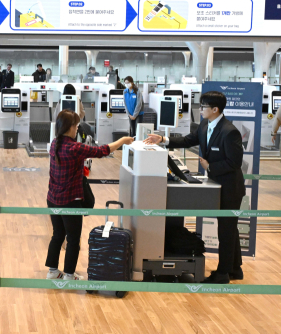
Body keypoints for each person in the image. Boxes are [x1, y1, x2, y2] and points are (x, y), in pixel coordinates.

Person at [144, 91, 245, 283]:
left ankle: (223, 274)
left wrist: (211, 167)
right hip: (217, 186)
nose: (200, 110)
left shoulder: (229, 131)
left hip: (230, 189)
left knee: (226, 231)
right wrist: (163, 140)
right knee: (230, 229)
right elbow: (189, 140)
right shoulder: (206, 125)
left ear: (215, 109)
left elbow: (235, 162)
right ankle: (235, 269)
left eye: (204, 107)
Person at [46, 110, 133, 280]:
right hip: (70, 202)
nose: (78, 129)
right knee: (73, 239)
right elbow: (102, 150)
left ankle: (52, 271)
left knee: (57, 235)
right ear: (70, 127)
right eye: (76, 126)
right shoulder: (74, 148)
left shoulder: (54, 144)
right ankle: (69, 274)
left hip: (53, 199)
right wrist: (123, 140)